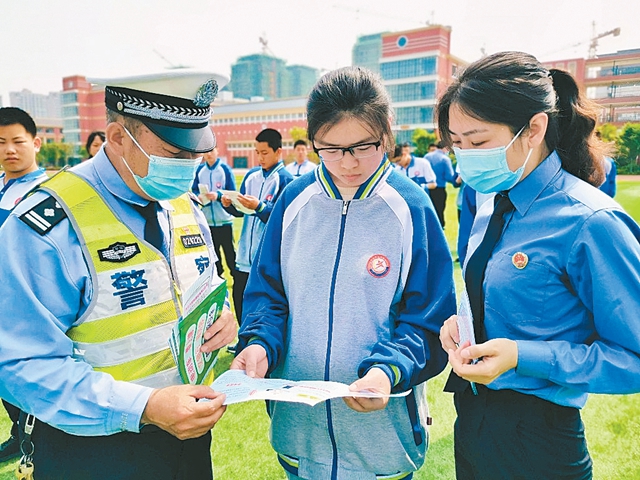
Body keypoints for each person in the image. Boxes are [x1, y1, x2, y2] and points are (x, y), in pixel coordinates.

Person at [0, 71, 238, 479]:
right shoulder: (48, 228)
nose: (187, 168)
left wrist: (221, 321)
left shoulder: (184, 206)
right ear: (117, 137)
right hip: (93, 450)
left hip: (189, 438)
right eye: (173, 153)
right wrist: (143, 408)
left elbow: (196, 291)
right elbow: (21, 363)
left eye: (195, 154)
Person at [231, 66, 456, 480]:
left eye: (362, 146)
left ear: (387, 132)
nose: (347, 163)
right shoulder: (293, 202)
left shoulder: (412, 208)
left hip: (382, 438)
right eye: (330, 148)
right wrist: (260, 345)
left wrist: (386, 371)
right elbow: (267, 296)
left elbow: (430, 320)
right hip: (299, 434)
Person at [437, 51, 640, 479]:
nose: (465, 157)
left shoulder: (589, 221)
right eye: (456, 144)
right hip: (472, 419)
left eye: (477, 142)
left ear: (534, 128)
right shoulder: (492, 200)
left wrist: (521, 356)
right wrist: (464, 323)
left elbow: (633, 357)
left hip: (539, 440)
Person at [0, 107, 49, 463]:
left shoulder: (46, 191)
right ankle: (19, 432)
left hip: (28, 302)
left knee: (29, 370)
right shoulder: (2, 186)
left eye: (18, 141)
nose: (9, 150)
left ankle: (37, 436)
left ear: (36, 143)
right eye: (1, 143)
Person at [223, 128, 293, 324]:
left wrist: (260, 207)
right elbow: (242, 212)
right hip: (244, 257)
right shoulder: (251, 176)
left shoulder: (287, 180)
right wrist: (230, 206)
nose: (260, 158)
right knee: (240, 300)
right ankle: (243, 341)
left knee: (263, 307)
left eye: (264, 153)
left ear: (278, 152)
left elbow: (284, 219)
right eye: (257, 153)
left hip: (266, 260)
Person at [192, 146, 237, 279]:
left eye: (211, 151)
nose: (209, 154)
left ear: (218, 151)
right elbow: (194, 190)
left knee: (230, 253)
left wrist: (217, 195)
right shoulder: (200, 170)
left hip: (224, 221)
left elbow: (233, 193)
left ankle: (237, 280)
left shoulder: (225, 170)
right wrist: (198, 196)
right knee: (213, 254)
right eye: (205, 151)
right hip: (208, 222)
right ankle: (218, 280)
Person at [424, 141, 460, 228]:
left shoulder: (426, 156)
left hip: (427, 188)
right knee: (439, 211)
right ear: (446, 148)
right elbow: (449, 176)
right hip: (440, 188)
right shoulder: (445, 159)